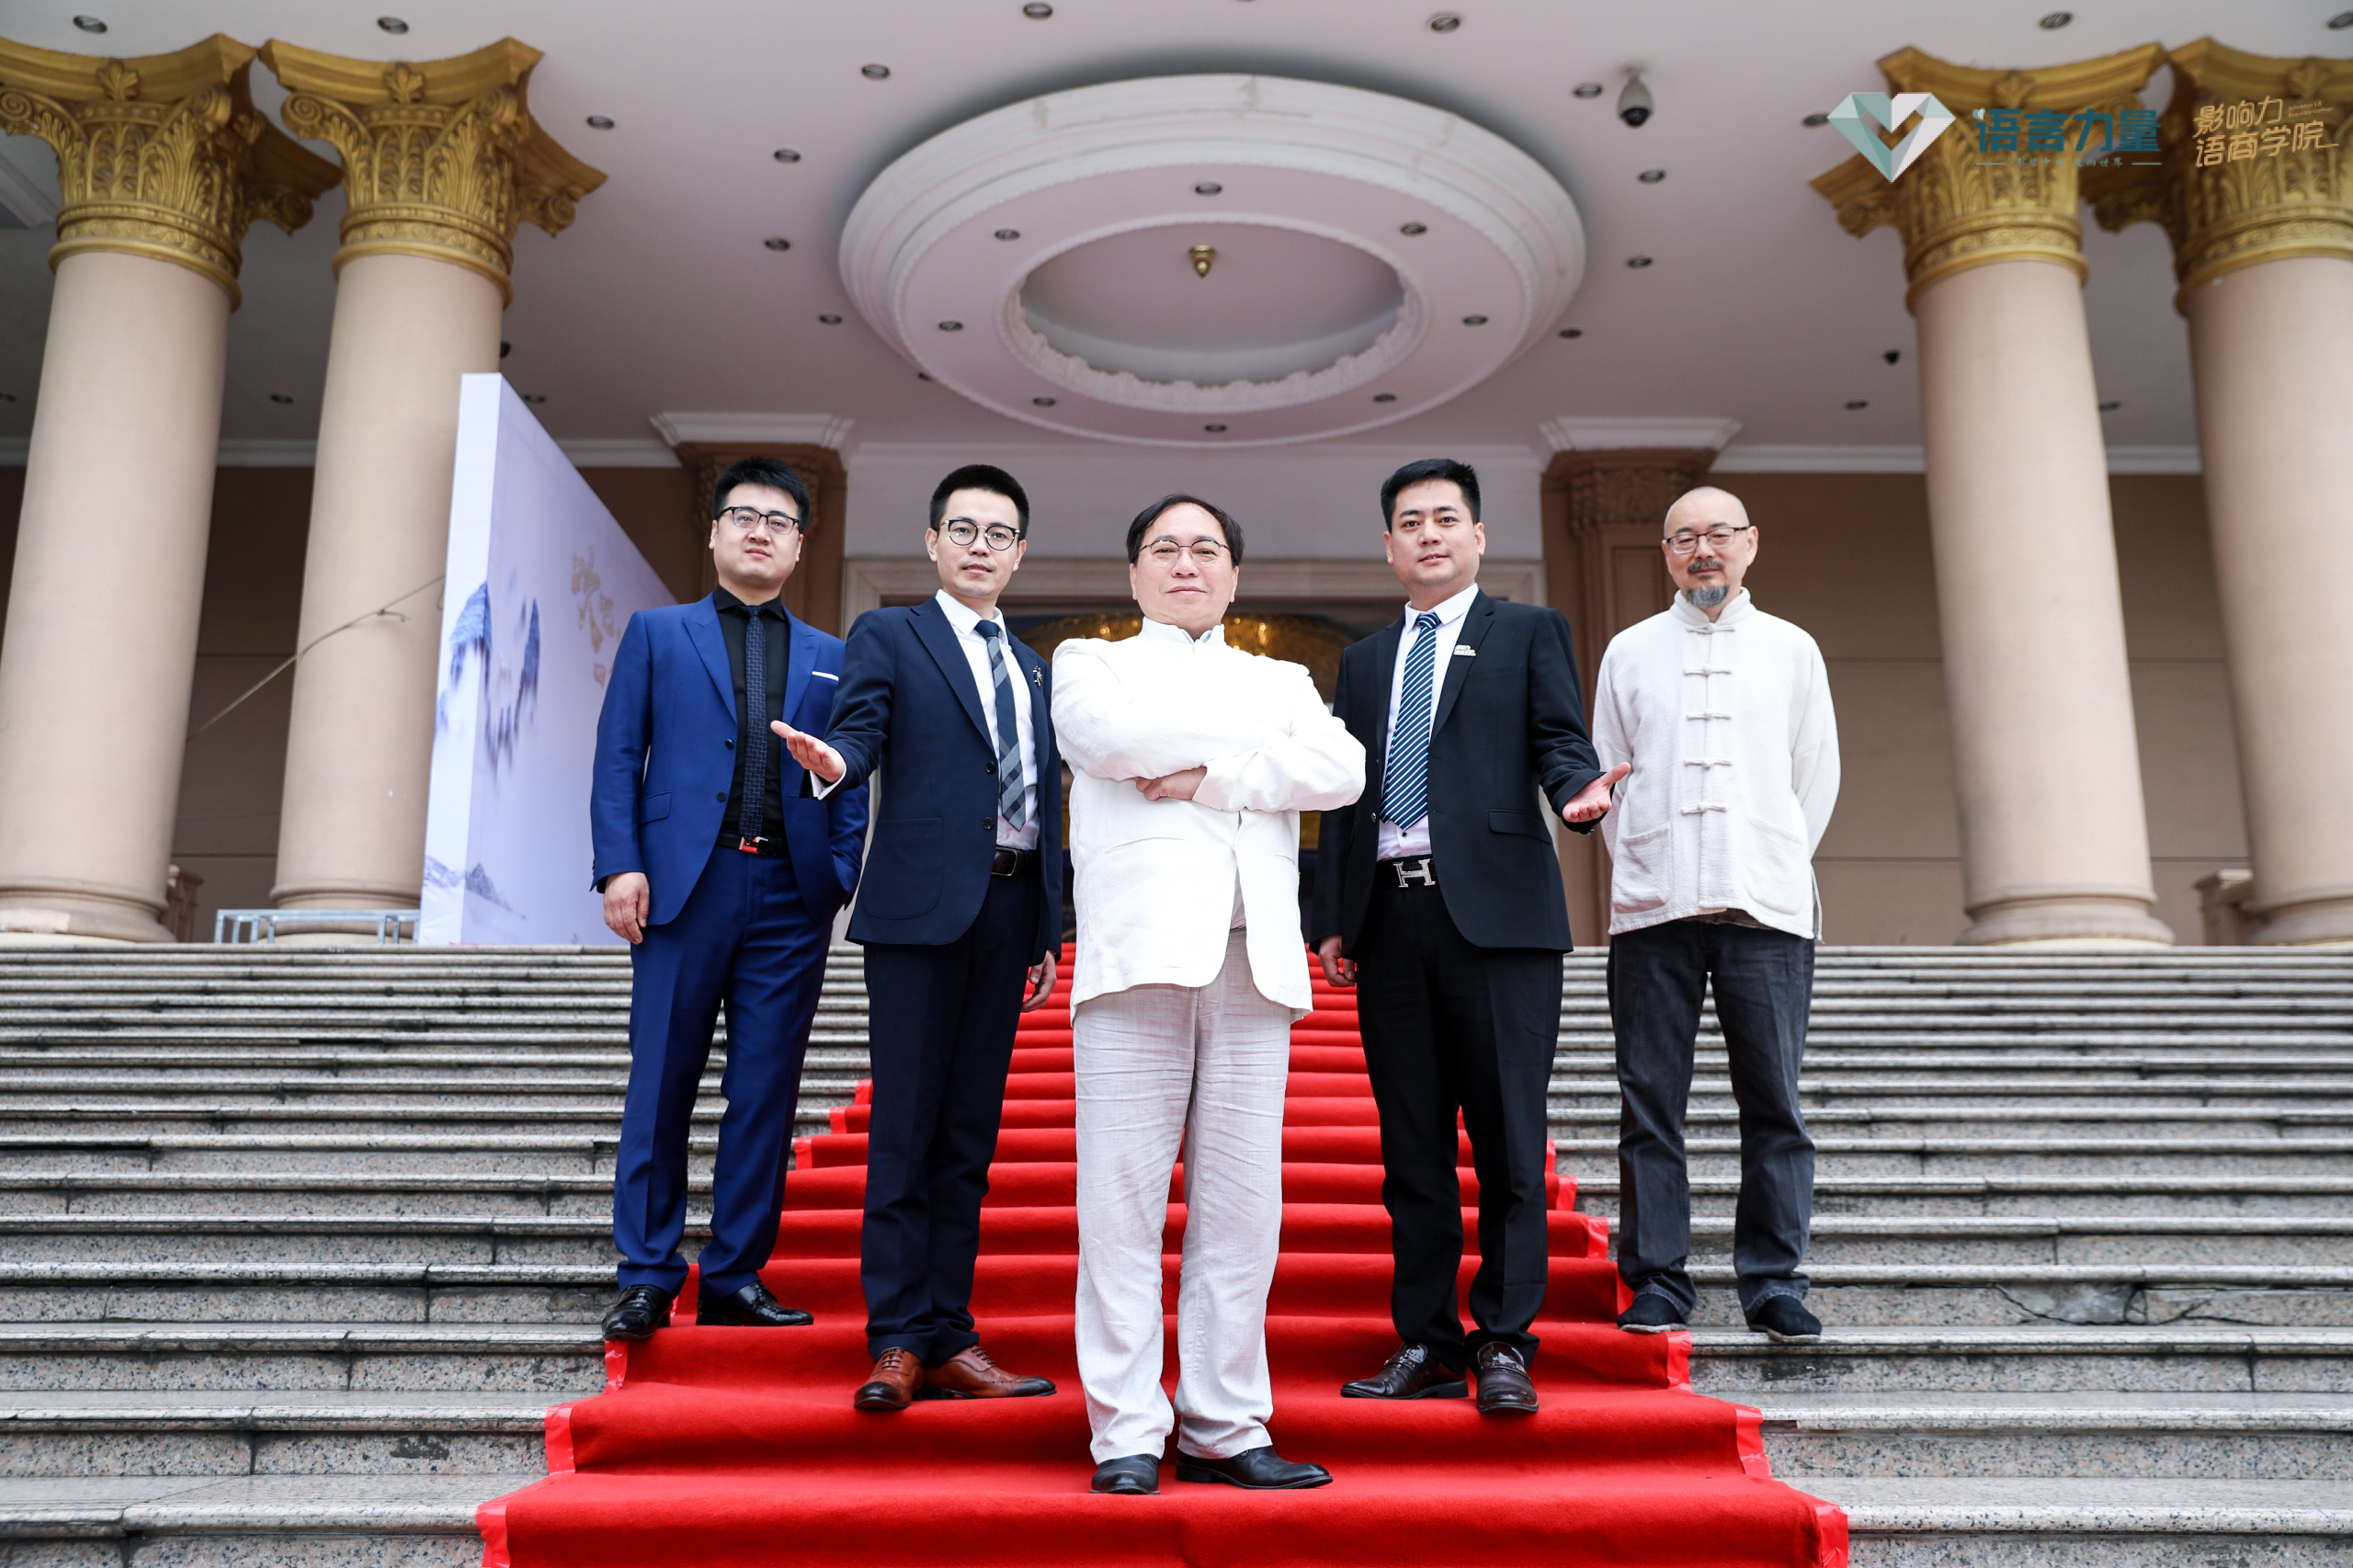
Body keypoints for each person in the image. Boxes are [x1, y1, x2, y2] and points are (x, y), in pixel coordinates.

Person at [1052, 494, 1364, 1497]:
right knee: (1120, 1208)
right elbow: (1102, 739)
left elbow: (1343, 769)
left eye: (1206, 549)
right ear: (1134, 572)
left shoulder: (1281, 675)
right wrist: (1258, 752)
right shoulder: (1091, 662)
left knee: (1241, 1210)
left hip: (1252, 959)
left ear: (1234, 574)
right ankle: (1126, 1432)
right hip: (1137, 955)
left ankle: (1226, 1423)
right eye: (1165, 548)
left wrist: (1208, 776)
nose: (1186, 563)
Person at [1312, 458, 1622, 1416]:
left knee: (1507, 1142)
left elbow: (1559, 738)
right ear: (1389, 545)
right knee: (1411, 1147)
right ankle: (1427, 1340)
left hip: (1498, 922)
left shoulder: (1527, 631)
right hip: (1392, 919)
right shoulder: (1366, 660)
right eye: (1411, 522)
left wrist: (1577, 793)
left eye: (1446, 518)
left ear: (1478, 536)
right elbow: (1346, 797)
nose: (1429, 534)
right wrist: (1334, 915)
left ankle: (1504, 1341)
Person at [775, 464, 1063, 1412]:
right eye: (963, 529)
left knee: (968, 1135)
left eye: (998, 534)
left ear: (1019, 555)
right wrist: (835, 763)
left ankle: (949, 1333)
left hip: (1010, 912)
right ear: (933, 542)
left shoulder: (1035, 668)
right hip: (920, 913)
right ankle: (897, 1337)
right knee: (906, 1126)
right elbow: (860, 731)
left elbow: (1045, 804)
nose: (980, 546)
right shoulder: (891, 634)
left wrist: (1048, 925)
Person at [589, 457, 869, 1341]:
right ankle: (647, 1274)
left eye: (780, 522)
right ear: (714, 533)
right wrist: (619, 865)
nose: (761, 532)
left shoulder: (833, 657)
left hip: (791, 895)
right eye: (745, 516)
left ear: (799, 547)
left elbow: (851, 772)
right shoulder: (656, 634)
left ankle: (736, 1275)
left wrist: (840, 872)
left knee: (765, 1092)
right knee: (660, 1085)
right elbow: (617, 755)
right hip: (685, 887)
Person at [1594, 484, 1839, 1344]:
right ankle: (1658, 1279)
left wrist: (1769, 858)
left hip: (1766, 909)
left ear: (1750, 543)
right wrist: (1648, 860)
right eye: (1685, 538)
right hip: (1653, 909)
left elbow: (1814, 774)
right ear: (1666, 553)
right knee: (1648, 1103)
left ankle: (1773, 1282)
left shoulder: (1792, 648)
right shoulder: (1629, 650)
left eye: (1719, 535)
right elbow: (1608, 776)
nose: (1703, 550)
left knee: (1774, 1102)